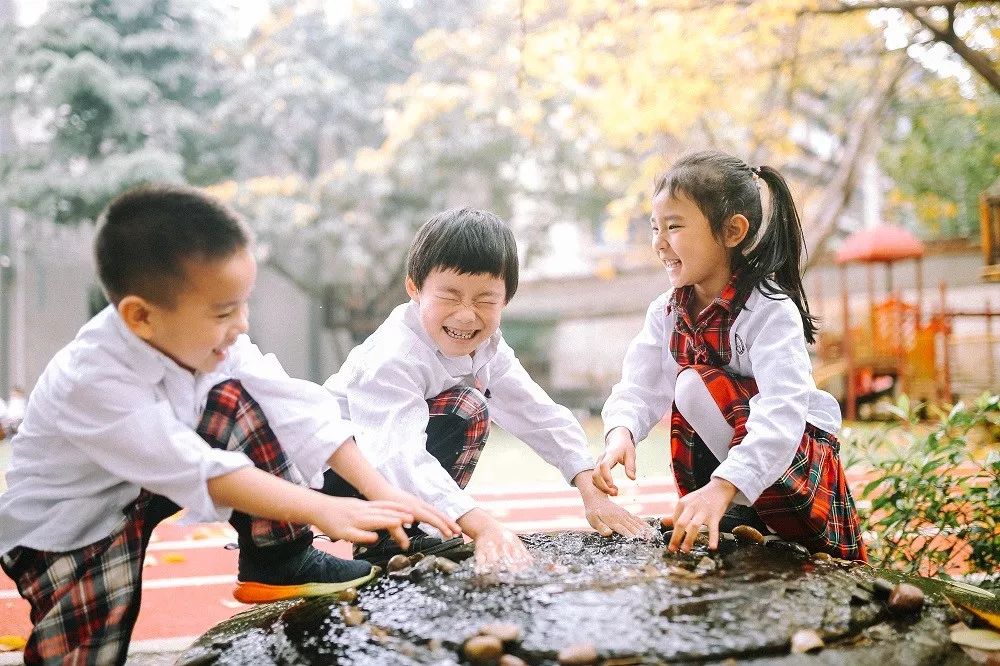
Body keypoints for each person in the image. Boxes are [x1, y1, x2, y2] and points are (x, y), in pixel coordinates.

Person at [0, 185, 458, 665]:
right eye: (223, 311)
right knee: (88, 652)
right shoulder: (92, 379)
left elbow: (295, 406)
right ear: (141, 316)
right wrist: (322, 508)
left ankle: (277, 558)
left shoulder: (211, 342)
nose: (240, 324)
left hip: (140, 488)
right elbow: (199, 469)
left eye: (243, 305)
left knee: (235, 398)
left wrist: (379, 489)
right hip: (70, 532)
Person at [323, 208, 651, 573]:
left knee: (468, 407)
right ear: (414, 288)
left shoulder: (488, 346)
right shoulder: (394, 355)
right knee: (466, 408)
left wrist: (590, 487)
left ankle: (412, 528)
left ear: (506, 300)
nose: (466, 315)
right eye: (450, 296)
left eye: (485, 300)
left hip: (382, 470)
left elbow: (535, 411)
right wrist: (481, 524)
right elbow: (395, 454)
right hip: (322, 478)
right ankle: (390, 537)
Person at [594, 150, 866, 561]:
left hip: (794, 468)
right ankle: (742, 513)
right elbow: (639, 385)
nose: (659, 243)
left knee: (692, 382)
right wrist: (622, 433)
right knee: (687, 383)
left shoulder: (770, 309)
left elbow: (782, 412)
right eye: (655, 228)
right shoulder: (666, 311)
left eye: (674, 226)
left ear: (732, 231)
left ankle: (742, 503)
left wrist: (725, 483)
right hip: (738, 472)